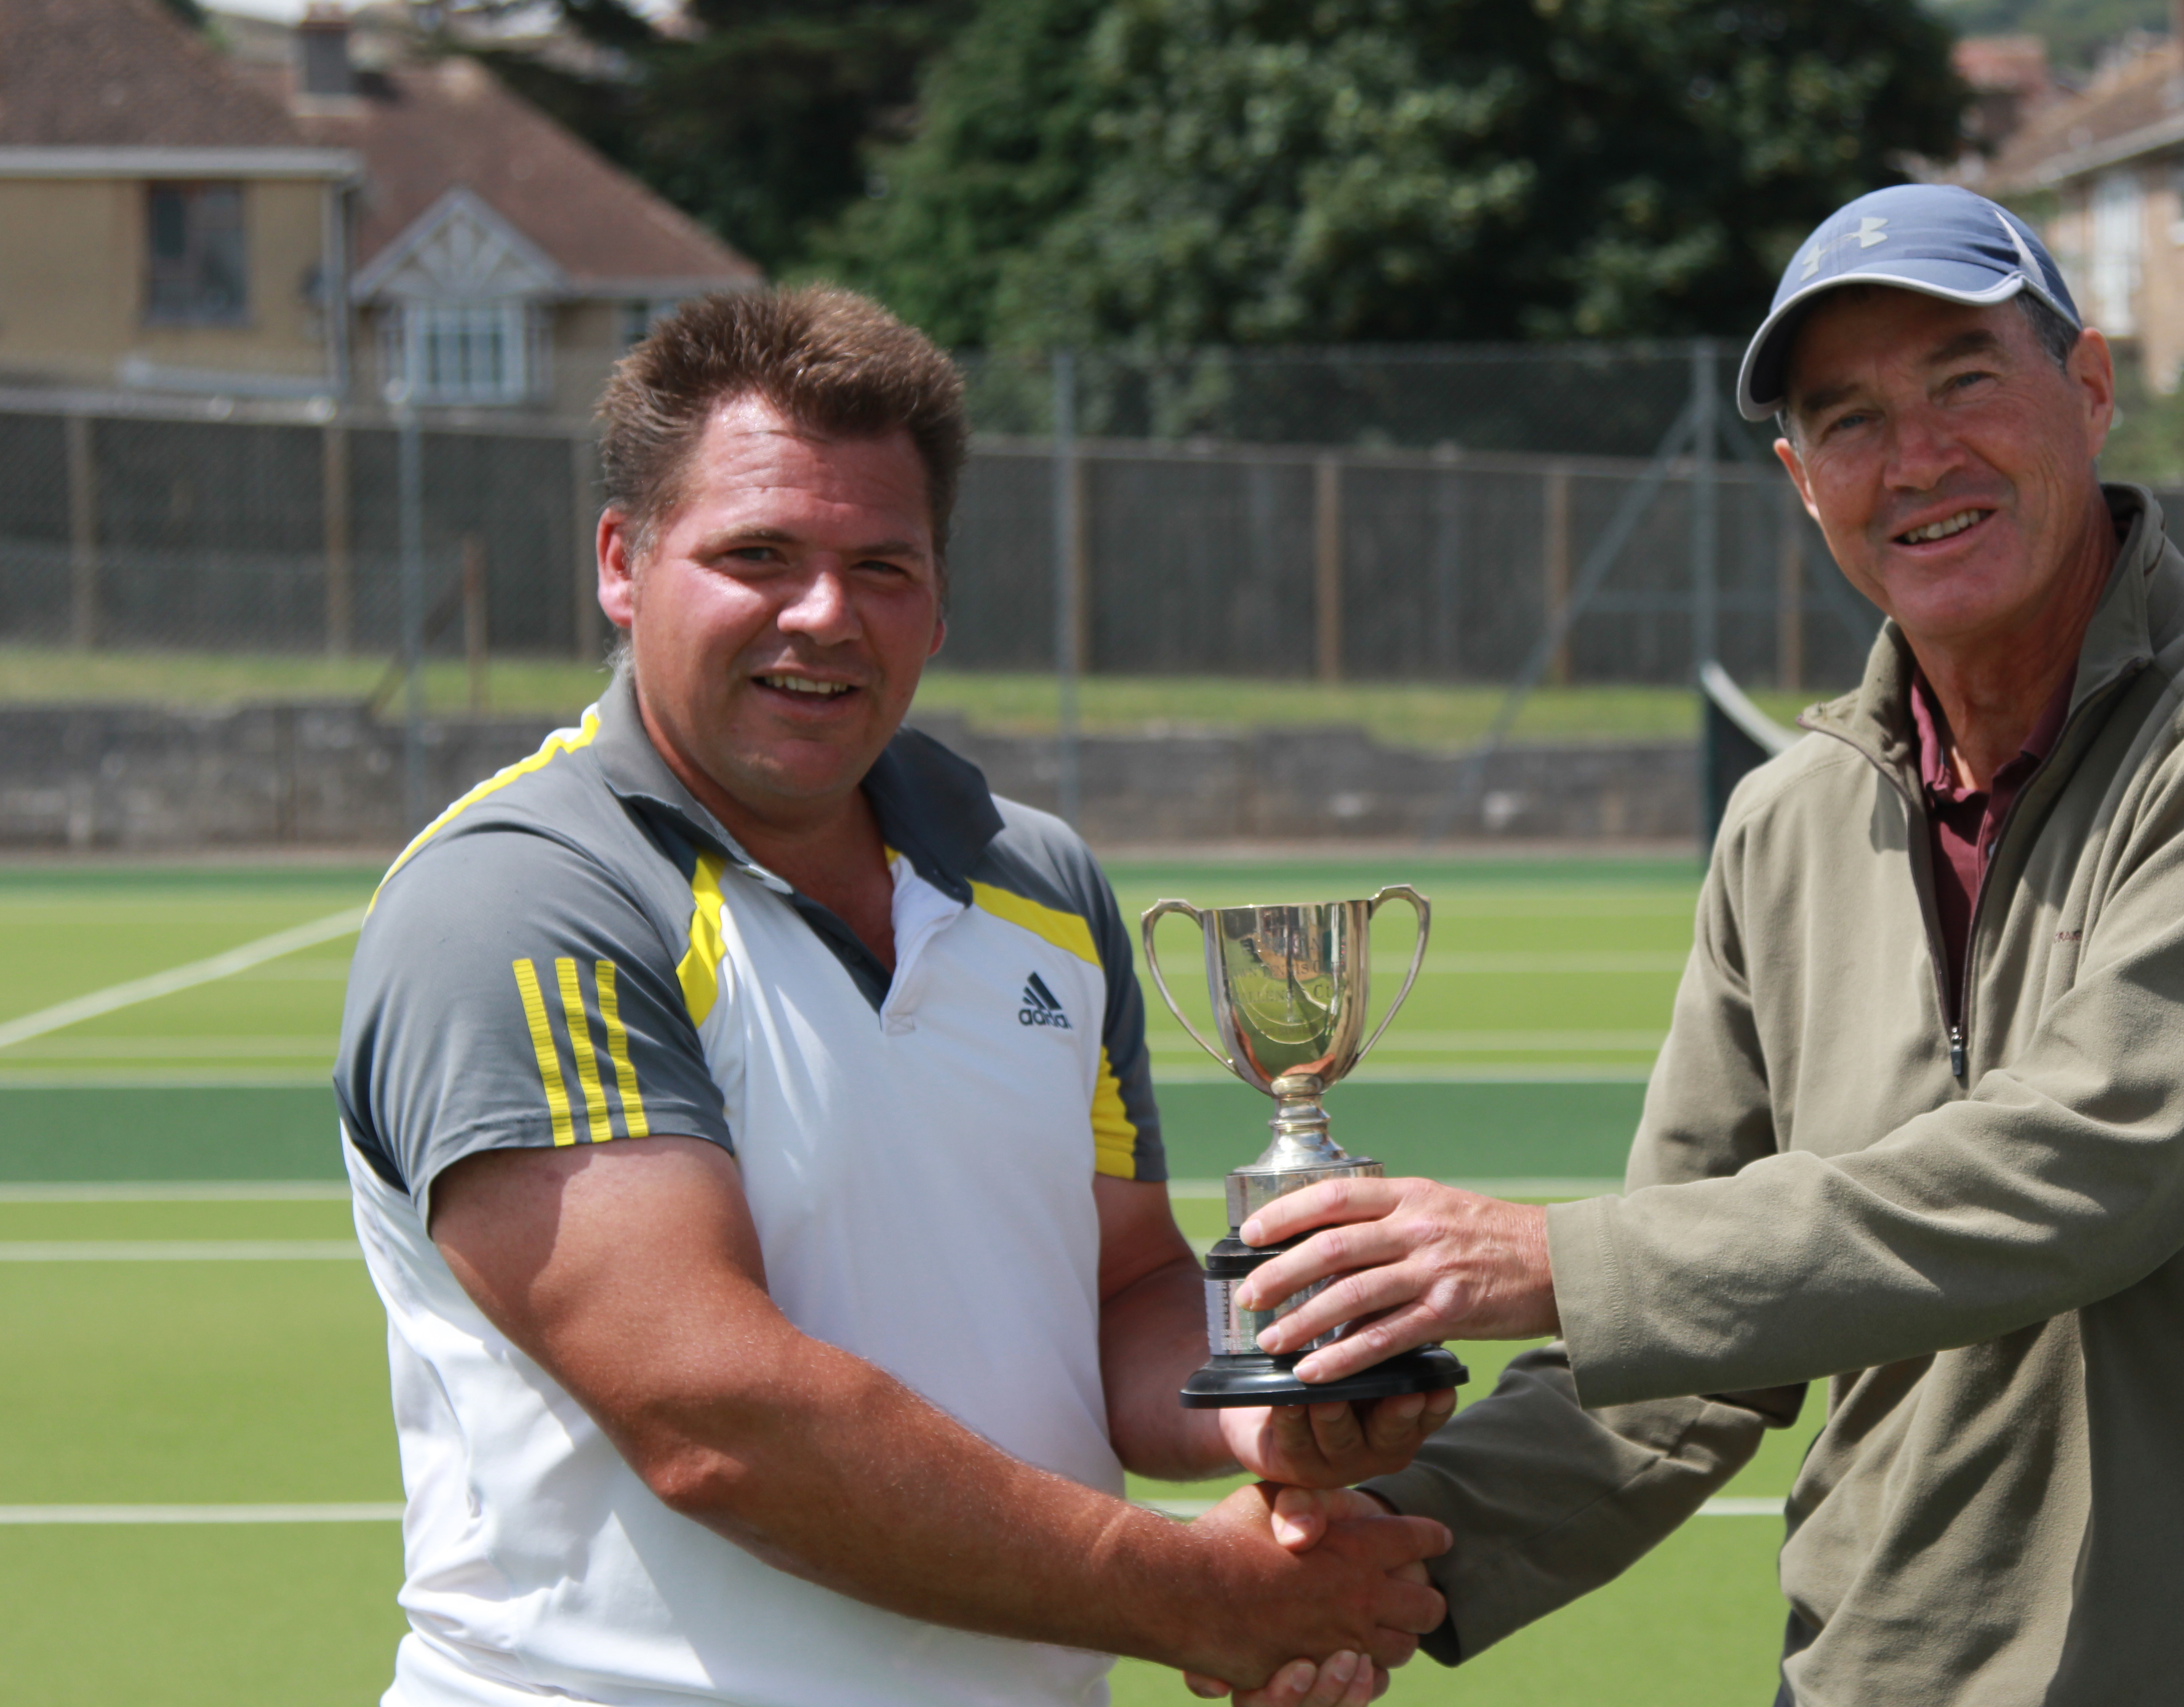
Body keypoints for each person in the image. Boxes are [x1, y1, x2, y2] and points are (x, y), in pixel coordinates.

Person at [1219, 185, 2184, 1704]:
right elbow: (1696, 1355)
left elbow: (2092, 1166)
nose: (1918, 458)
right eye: (1850, 420)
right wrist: (1388, 1559)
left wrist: (1550, 1259)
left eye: (1964, 381)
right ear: (1799, 481)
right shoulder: (1788, 821)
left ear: (2088, 392)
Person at [333, 285, 1456, 1707]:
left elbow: (1119, 1287)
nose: (823, 615)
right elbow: (714, 1416)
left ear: (939, 595)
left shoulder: (1037, 878)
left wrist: (1275, 1405)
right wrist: (1192, 1596)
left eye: (883, 566)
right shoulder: (520, 901)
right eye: (758, 555)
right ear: (622, 563)